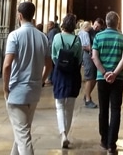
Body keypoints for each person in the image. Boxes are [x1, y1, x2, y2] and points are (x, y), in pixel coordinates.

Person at [2, 0, 51, 155]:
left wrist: (5, 88)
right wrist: (41, 82)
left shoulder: (14, 35)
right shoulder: (43, 37)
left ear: (19, 15)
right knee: (22, 130)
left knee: (23, 136)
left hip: (17, 91)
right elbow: (49, 65)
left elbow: (6, 65)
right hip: (34, 91)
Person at [91, 10, 123, 155]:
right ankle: (112, 144)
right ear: (117, 23)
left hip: (102, 79)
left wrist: (104, 72)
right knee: (115, 110)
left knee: (103, 109)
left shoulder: (98, 37)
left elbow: (94, 57)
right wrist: (114, 73)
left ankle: (104, 139)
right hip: (117, 79)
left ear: (106, 22)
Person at [51, 13, 83, 147]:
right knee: (69, 107)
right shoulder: (77, 39)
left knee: (59, 106)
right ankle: (66, 134)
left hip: (60, 73)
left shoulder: (57, 37)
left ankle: (62, 133)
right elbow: (80, 58)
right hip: (73, 74)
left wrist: (60, 64)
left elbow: (53, 55)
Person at [78, 20, 97, 108]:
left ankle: (87, 95)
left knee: (93, 77)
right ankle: (87, 99)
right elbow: (84, 45)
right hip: (88, 56)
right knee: (90, 77)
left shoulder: (89, 32)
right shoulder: (83, 34)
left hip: (91, 55)